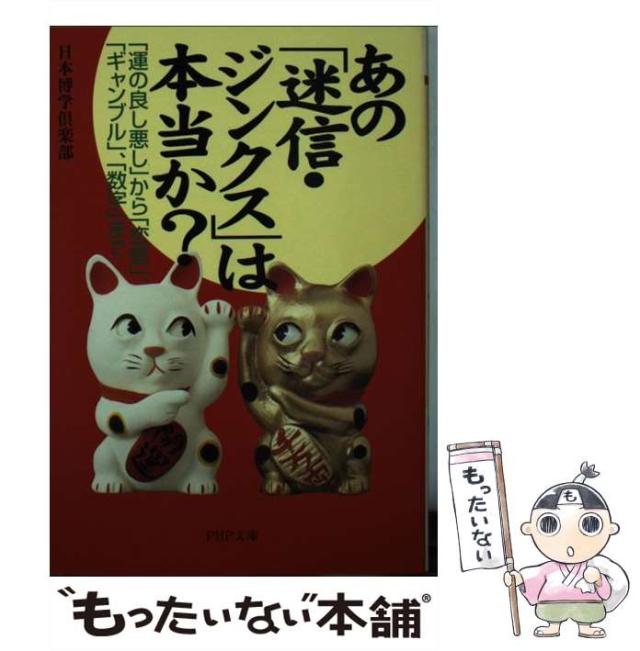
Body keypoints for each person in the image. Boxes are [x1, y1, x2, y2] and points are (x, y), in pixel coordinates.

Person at [504, 462, 629, 638]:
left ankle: (585, 627)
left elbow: (605, 592)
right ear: (529, 528)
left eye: (590, 525)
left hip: (587, 605)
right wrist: (518, 578)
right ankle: (553, 626)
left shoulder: (593, 566)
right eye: (549, 524)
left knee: (589, 612)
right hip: (552, 604)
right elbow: (535, 576)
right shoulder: (549, 568)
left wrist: (598, 580)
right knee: (550, 611)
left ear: (610, 528)